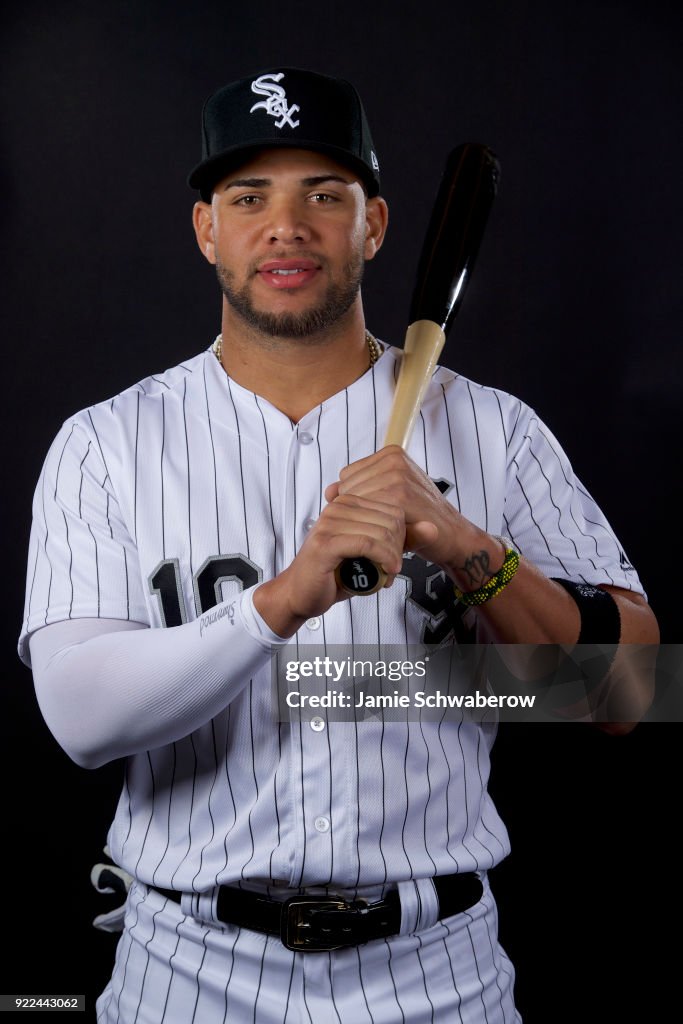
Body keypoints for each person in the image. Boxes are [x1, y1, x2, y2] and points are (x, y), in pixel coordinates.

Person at [18, 66, 659, 1023]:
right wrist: (280, 602)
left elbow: (629, 695)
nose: (287, 226)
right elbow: (81, 719)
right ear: (206, 229)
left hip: (439, 976)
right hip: (187, 973)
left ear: (376, 225)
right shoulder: (107, 442)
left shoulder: (494, 430)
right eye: (249, 198)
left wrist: (464, 547)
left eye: (325, 194)